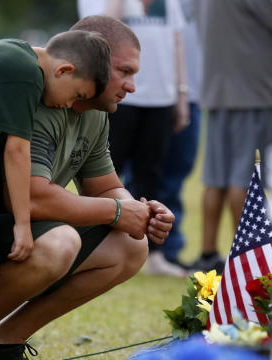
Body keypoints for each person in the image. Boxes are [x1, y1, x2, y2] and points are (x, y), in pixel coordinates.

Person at [0, 16, 174, 359]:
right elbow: (28, 197)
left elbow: (105, 189)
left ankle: (2, 344)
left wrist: (138, 212)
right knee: (58, 243)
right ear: (86, 62)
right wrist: (116, 211)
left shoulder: (93, 112)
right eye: (125, 72)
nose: (131, 86)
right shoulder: (39, 99)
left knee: (132, 246)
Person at [78, 0, 189, 277]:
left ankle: (153, 251)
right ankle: (98, 245)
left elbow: (176, 40)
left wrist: (182, 92)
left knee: (151, 174)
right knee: (105, 173)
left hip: (161, 96)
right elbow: (96, 34)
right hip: (119, 98)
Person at [191, 0, 272, 272]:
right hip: (252, 91)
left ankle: (207, 253)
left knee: (215, 178)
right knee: (245, 178)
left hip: (216, 89)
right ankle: (246, 255)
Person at [156, 0, 202, 269]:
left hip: (192, 93)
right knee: (143, 173)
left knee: (179, 170)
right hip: (153, 94)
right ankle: (145, 247)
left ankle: (168, 248)